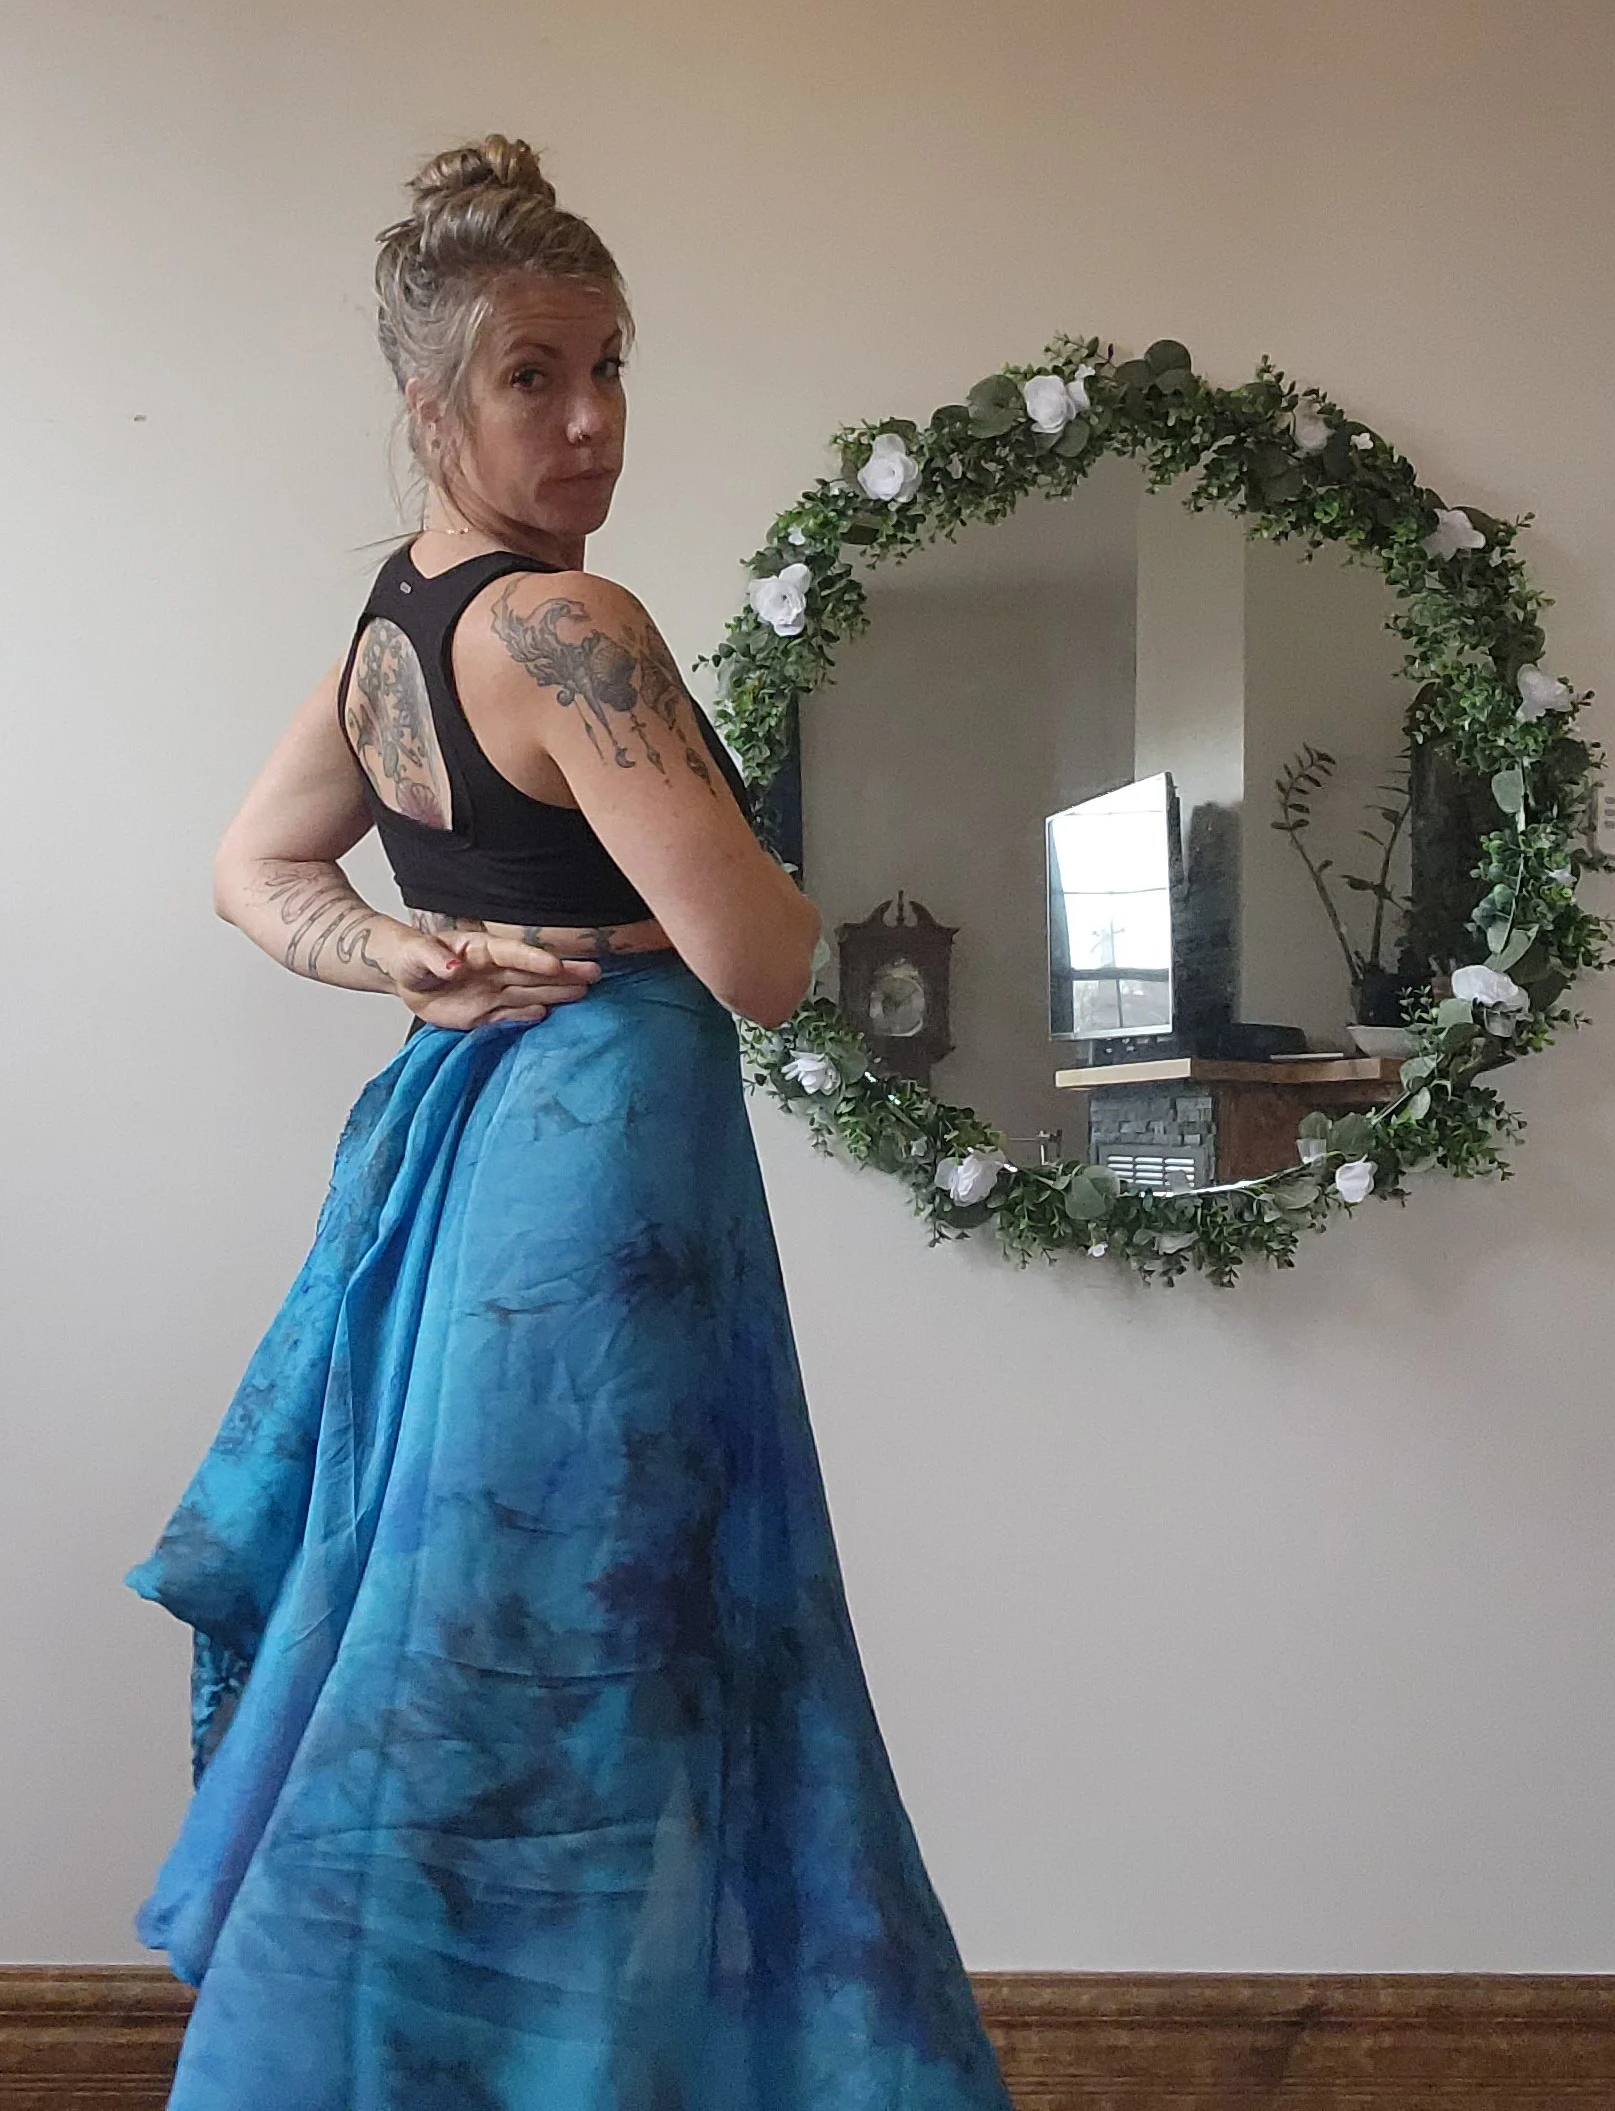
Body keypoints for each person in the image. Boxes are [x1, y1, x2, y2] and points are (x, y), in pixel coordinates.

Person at [127, 138, 1013, 2108]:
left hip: (481, 1158)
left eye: (609, 365)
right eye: (533, 375)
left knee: (485, 1625)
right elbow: (763, 959)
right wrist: (752, 877)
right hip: (599, 1172)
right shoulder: (568, 625)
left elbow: (259, 866)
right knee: (584, 1658)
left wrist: (401, 949)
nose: (592, 417)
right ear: (430, 404)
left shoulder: (392, 626)